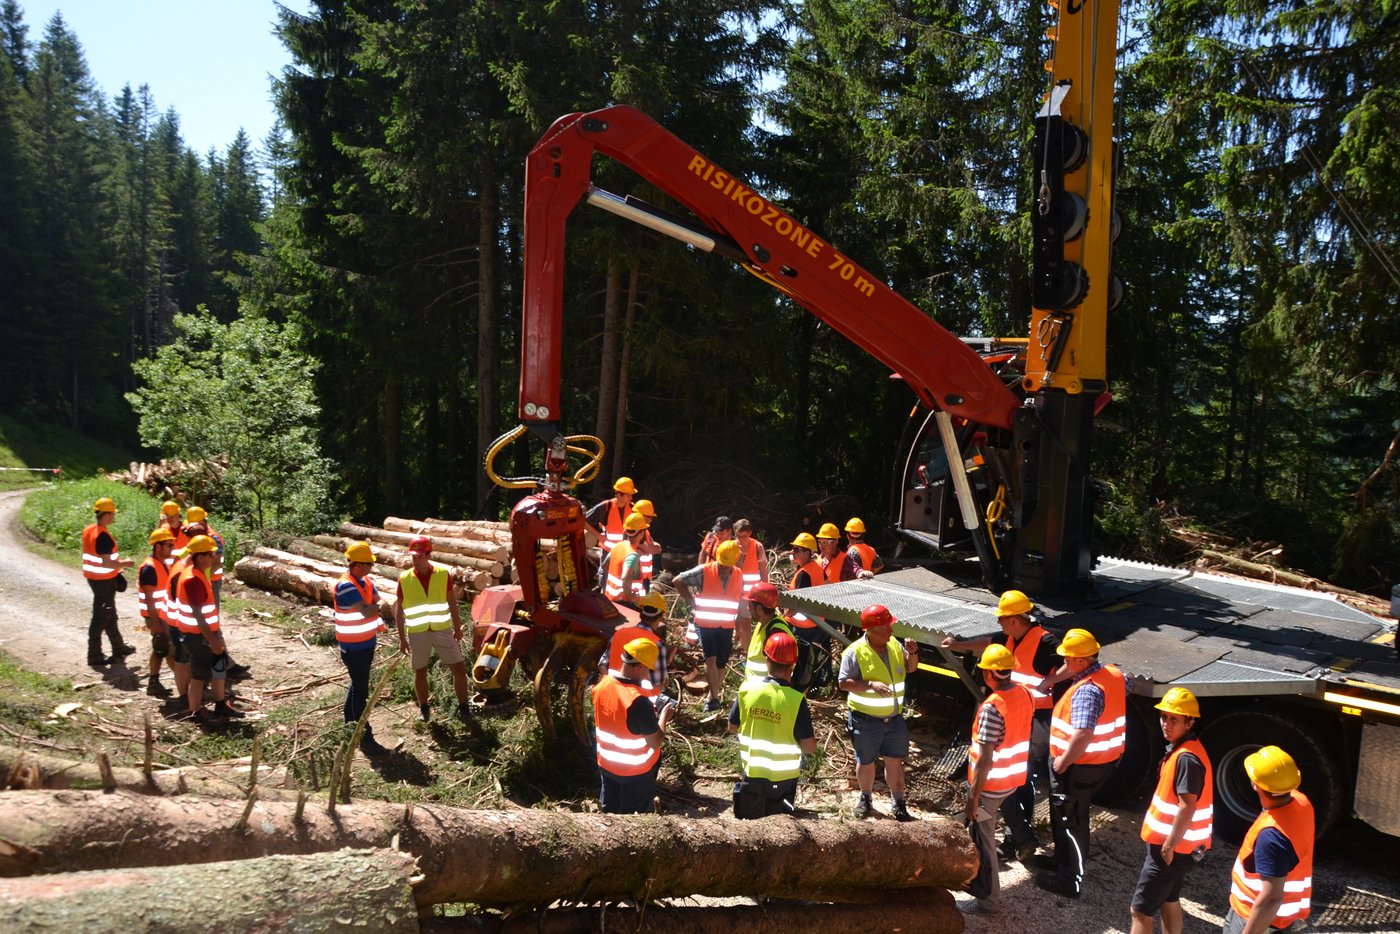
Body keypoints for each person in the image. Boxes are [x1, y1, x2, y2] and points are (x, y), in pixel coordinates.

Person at [942, 589, 1060, 861]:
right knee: (1012, 779)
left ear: (1015, 619)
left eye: (1002, 619)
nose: (999, 624)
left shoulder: (1046, 642)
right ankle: (1019, 838)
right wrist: (958, 645)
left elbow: (1072, 662)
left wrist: (1050, 682)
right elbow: (987, 643)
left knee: (1022, 778)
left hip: (1035, 719)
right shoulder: (1008, 638)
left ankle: (1010, 839)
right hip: (1017, 713)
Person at [1036, 627, 1128, 898]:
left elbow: (1084, 734)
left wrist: (1062, 763)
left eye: (1067, 658)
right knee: (1065, 815)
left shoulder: (1087, 692)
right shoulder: (1112, 673)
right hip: (1101, 762)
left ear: (1079, 661)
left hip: (1079, 766)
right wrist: (1051, 679)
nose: (1064, 662)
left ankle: (1069, 881)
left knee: (1073, 820)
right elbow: (1120, 689)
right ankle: (1061, 861)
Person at [1131, 688, 1213, 934]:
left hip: (1171, 850)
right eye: (1164, 717)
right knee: (1170, 898)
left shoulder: (1186, 758)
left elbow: (1187, 806)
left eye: (1174, 719)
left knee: (1140, 911)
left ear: (1190, 722)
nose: (1166, 724)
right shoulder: (1187, 750)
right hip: (1181, 849)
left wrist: (1169, 845)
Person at [961, 644, 1035, 916]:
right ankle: (1026, 842)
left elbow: (985, 759)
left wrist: (973, 798)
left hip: (990, 788)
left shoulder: (992, 708)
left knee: (984, 842)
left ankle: (988, 902)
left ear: (991, 673)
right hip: (1012, 780)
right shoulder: (1025, 694)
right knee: (993, 833)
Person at [839, 603, 920, 821]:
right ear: (872, 630)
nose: (892, 631)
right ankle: (865, 799)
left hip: (894, 719)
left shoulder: (893, 644)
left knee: (894, 760)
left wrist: (913, 654)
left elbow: (911, 668)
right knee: (866, 761)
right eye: (886, 627)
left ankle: (899, 803)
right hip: (865, 720)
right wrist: (870, 685)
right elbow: (844, 683)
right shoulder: (854, 652)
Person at [1224, 745, 1314, 933]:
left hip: (1255, 919)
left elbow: (1271, 898)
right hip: (1281, 919)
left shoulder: (1271, 836)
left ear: (1255, 785)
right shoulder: (1302, 803)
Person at [729, 631, 817, 818]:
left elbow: (732, 727)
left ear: (767, 661)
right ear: (792, 666)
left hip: (752, 773)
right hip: (784, 782)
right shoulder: (796, 700)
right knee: (780, 833)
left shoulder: (747, 690)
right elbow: (810, 747)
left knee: (750, 828)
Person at [393, 535, 472, 723]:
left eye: (420, 557)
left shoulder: (442, 574)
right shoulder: (404, 578)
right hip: (417, 633)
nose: (416, 560)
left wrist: (458, 627)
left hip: (442, 630)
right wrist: (401, 638)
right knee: (420, 672)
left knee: (459, 669)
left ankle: (463, 708)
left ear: (428, 555)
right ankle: (424, 709)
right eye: (413, 557)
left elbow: (452, 601)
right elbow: (399, 610)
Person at [593, 637, 674, 813]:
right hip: (635, 773)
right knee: (634, 819)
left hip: (606, 765)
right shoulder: (638, 702)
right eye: (647, 670)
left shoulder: (602, 685)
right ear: (640, 666)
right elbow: (655, 741)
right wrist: (664, 717)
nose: (647, 675)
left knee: (610, 814)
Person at [169, 535, 240, 723]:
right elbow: (198, 616)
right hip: (198, 637)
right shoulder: (192, 579)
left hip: (205, 634)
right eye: (211, 554)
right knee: (199, 676)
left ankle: (220, 704)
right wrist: (213, 641)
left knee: (218, 669)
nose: (214, 557)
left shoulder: (199, 573)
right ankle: (195, 713)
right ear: (199, 556)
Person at [674, 539, 745, 712]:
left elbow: (739, 601)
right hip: (705, 623)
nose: (723, 568)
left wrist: (738, 626)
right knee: (711, 658)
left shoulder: (738, 575)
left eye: (727, 566)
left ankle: (712, 696)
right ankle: (713, 697)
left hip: (726, 625)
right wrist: (691, 602)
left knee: (721, 662)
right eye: (721, 564)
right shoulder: (704, 571)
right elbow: (678, 580)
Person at [337, 541, 391, 756]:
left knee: (357, 685)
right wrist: (372, 607)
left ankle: (350, 723)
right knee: (361, 690)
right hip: (353, 646)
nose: (371, 568)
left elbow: (377, 603)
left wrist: (372, 607)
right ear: (357, 565)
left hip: (365, 643)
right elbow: (368, 611)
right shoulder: (346, 586)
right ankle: (362, 731)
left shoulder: (365, 581)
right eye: (369, 564)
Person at [81, 497, 136, 666]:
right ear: (105, 514)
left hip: (97, 579)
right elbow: (106, 562)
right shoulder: (102, 536)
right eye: (112, 513)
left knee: (110, 614)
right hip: (103, 581)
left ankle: (118, 647)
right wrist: (125, 564)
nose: (114, 516)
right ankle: (94, 655)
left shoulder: (90, 530)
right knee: (100, 617)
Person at [136, 528, 177, 696]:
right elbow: (149, 598)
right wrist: (155, 623)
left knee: (161, 649)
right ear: (158, 547)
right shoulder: (149, 568)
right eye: (168, 545)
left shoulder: (163, 564)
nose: (171, 548)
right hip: (157, 617)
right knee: (168, 650)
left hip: (163, 615)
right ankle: (187, 682)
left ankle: (153, 681)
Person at [605, 590, 664, 704]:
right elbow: (657, 683)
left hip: (612, 694)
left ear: (640, 613)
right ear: (660, 617)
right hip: (639, 702)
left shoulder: (619, 633)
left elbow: (602, 666)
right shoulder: (657, 643)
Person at [742, 582, 796, 683]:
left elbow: (783, 671)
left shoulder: (777, 632)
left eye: (750, 606)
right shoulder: (763, 623)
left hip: (765, 693)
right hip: (754, 690)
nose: (747, 608)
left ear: (759, 609)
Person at [602, 512, 649, 602]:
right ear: (641, 533)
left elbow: (604, 566)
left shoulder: (618, 545)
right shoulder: (632, 555)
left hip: (611, 599)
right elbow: (625, 577)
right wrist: (631, 597)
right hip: (625, 603)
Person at [587, 477, 637, 555]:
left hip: (625, 553)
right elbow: (583, 521)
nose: (631, 498)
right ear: (619, 495)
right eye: (628, 495)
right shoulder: (606, 506)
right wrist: (599, 536)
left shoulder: (633, 508)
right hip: (607, 552)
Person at [631, 499, 662, 592]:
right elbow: (651, 550)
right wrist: (651, 548)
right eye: (650, 517)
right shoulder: (634, 531)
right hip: (636, 577)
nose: (651, 520)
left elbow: (657, 548)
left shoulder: (645, 530)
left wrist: (652, 547)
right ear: (641, 515)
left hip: (644, 576)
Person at [732, 519, 769, 592]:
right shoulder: (730, 547)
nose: (741, 539)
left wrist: (765, 591)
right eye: (738, 536)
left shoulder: (757, 547)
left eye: (744, 536)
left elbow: (763, 572)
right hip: (734, 591)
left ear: (750, 533)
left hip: (752, 592)